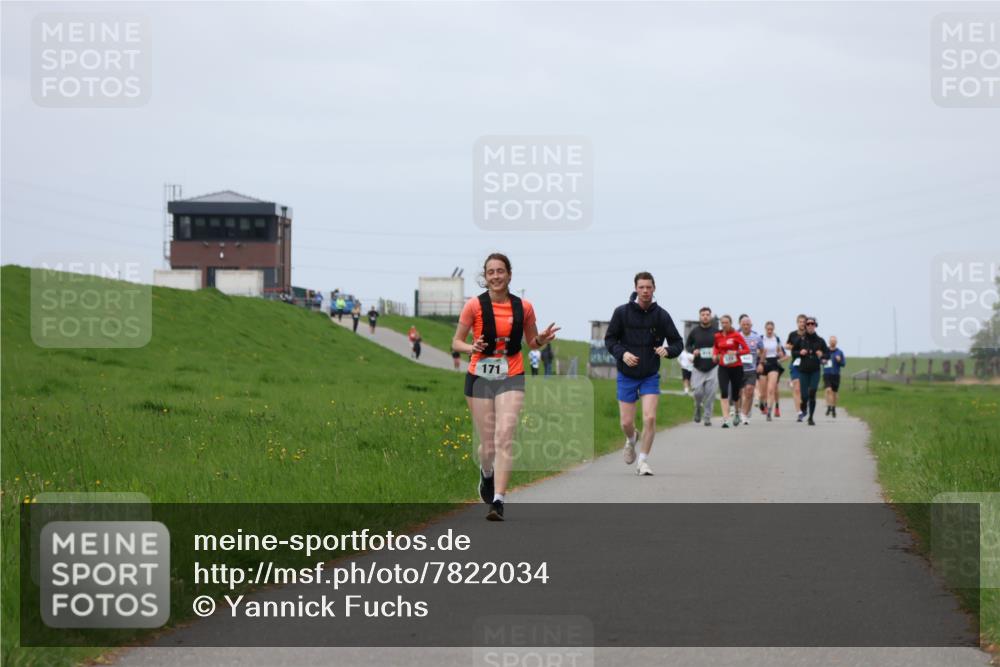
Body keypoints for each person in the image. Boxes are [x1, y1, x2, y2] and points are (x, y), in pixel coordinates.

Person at [452, 253, 559, 521]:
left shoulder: (524, 307)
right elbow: (456, 342)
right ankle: (486, 474)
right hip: (479, 375)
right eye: (491, 272)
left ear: (509, 274)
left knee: (504, 436)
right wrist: (470, 347)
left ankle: (498, 500)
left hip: (511, 374)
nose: (496, 276)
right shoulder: (474, 306)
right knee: (487, 444)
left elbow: (531, 342)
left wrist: (542, 339)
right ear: (485, 277)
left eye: (501, 271)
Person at [604, 272, 683, 476]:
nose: (645, 291)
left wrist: (667, 351)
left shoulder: (662, 315)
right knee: (626, 423)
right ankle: (631, 440)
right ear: (635, 289)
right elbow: (610, 340)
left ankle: (643, 461)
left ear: (654, 289)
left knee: (650, 418)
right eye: (641, 287)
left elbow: (678, 343)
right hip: (626, 374)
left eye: (649, 287)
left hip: (649, 374)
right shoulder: (621, 313)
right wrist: (623, 354)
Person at [791, 316, 830, 425]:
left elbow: (827, 354)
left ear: (815, 326)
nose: (810, 326)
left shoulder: (820, 340)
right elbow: (793, 353)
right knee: (804, 396)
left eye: (812, 324)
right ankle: (803, 406)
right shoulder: (801, 339)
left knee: (812, 392)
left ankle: (811, 418)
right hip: (803, 371)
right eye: (808, 324)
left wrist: (822, 355)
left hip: (815, 371)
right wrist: (800, 352)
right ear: (805, 326)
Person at [714, 315, 750, 429]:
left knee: (735, 393)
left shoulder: (736, 335)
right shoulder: (717, 335)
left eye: (726, 323)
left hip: (736, 367)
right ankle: (726, 419)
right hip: (723, 366)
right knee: (724, 391)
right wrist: (715, 355)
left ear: (731, 323)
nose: (724, 325)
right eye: (722, 323)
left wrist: (736, 353)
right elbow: (716, 347)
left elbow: (747, 349)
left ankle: (737, 413)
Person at [685, 307, 718, 426]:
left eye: (707, 314)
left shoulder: (716, 332)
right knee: (698, 393)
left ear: (710, 316)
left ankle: (707, 416)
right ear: (700, 317)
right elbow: (687, 346)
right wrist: (693, 351)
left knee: (710, 394)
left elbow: (720, 347)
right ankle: (698, 407)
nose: (705, 316)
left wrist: (716, 352)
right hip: (698, 367)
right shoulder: (695, 331)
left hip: (713, 367)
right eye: (703, 314)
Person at [737, 315, 764, 426]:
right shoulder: (737, 336)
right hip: (738, 368)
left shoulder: (756, 337)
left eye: (748, 324)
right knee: (738, 393)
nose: (746, 326)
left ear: (751, 325)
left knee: (749, 391)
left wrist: (761, 363)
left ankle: (744, 414)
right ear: (740, 325)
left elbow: (763, 350)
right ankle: (738, 412)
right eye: (744, 324)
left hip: (751, 369)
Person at [758, 321, 786, 421]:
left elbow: (781, 352)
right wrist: (762, 354)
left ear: (773, 329)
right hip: (763, 363)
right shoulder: (761, 338)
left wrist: (780, 354)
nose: (769, 331)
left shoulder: (776, 339)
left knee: (771, 390)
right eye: (768, 329)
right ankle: (762, 403)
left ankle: (769, 410)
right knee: (762, 393)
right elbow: (757, 352)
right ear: (765, 329)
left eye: (771, 329)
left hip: (773, 363)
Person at [785, 314, 807, 420]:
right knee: (796, 389)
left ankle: (803, 406)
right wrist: (791, 347)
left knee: (804, 390)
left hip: (807, 365)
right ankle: (799, 413)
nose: (802, 324)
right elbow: (787, 345)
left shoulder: (809, 335)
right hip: (795, 364)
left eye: (804, 322)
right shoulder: (792, 334)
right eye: (800, 321)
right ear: (797, 323)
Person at [823, 335, 846, 417]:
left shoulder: (840, 352)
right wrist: (823, 361)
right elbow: (820, 360)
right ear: (829, 342)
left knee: (834, 393)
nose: (832, 342)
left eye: (834, 341)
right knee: (828, 390)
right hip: (827, 373)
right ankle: (828, 406)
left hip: (836, 374)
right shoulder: (825, 351)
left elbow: (843, 364)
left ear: (836, 342)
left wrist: (839, 361)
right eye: (831, 341)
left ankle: (833, 408)